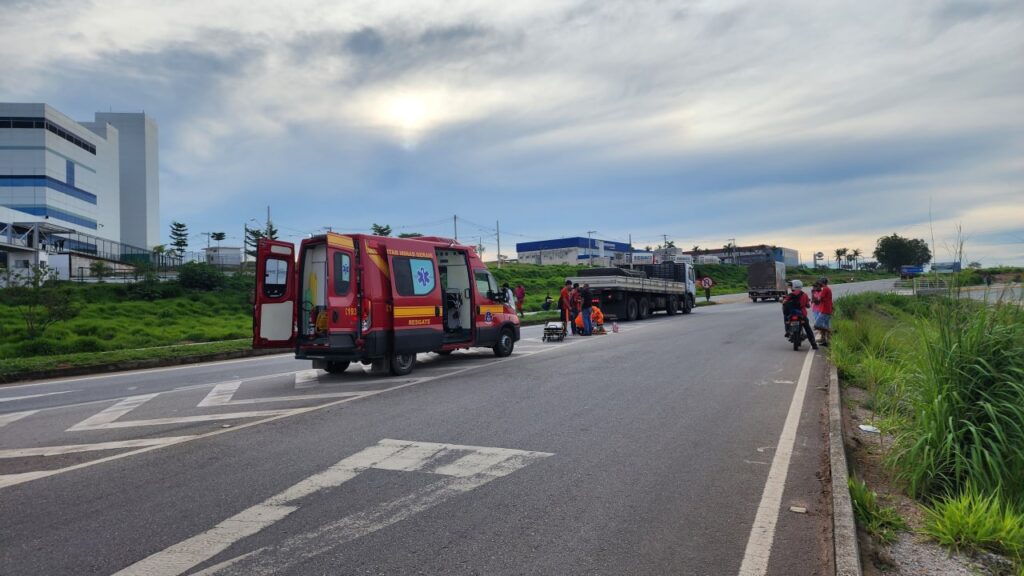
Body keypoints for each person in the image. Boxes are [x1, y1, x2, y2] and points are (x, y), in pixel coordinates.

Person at [782, 280, 818, 350]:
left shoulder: (791, 295)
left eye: (791, 285)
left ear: (794, 286)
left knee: (786, 320)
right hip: (802, 314)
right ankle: (814, 345)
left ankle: (787, 331)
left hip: (791, 314)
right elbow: (808, 306)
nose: (790, 287)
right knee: (808, 329)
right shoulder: (804, 295)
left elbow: (784, 302)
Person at [814, 277, 833, 347]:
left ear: (822, 282)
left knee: (817, 325)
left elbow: (820, 298)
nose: (819, 284)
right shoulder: (827, 289)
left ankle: (831, 331)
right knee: (825, 325)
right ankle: (826, 341)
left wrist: (815, 299)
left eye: (820, 282)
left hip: (825, 310)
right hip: (827, 309)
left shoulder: (825, 289)